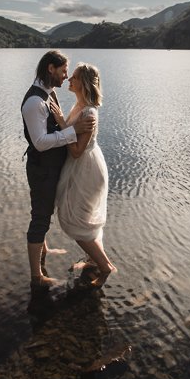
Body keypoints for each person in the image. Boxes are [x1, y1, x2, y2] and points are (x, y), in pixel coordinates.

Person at [22, 50, 94, 289]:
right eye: (63, 71)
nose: (65, 77)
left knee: (45, 213)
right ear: (50, 68)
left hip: (50, 168)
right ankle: (37, 277)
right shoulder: (34, 102)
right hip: (42, 169)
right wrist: (73, 131)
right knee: (40, 218)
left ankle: (45, 248)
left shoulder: (48, 93)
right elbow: (40, 143)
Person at [49, 62, 116, 288]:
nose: (69, 80)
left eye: (74, 77)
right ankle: (92, 259)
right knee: (83, 217)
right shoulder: (79, 104)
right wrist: (64, 127)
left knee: (75, 219)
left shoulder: (88, 112)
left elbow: (77, 152)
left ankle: (105, 267)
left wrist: (61, 125)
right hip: (79, 168)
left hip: (86, 169)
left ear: (84, 83)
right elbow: (72, 138)